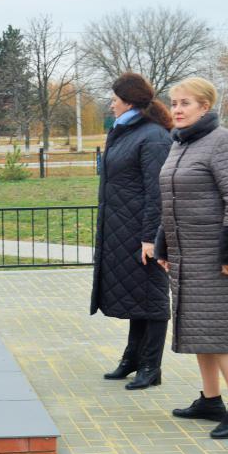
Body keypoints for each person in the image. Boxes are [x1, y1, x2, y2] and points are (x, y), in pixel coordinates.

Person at [155, 77, 228, 439]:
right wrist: (164, 245)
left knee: (222, 334)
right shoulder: (179, 145)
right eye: (174, 103)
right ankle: (210, 399)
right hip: (186, 256)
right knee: (200, 330)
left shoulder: (222, 142)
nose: (177, 110)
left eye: (186, 103)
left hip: (217, 259)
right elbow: (171, 201)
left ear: (205, 107)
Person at [91, 72, 173, 390]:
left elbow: (157, 192)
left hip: (143, 232)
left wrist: (150, 238)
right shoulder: (127, 132)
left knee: (152, 298)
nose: (111, 105)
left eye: (114, 99)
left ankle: (152, 366)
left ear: (128, 101)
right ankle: (133, 359)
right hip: (122, 230)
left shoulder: (153, 137)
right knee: (140, 297)